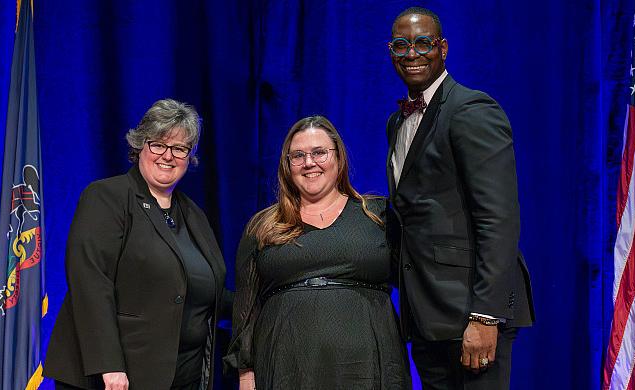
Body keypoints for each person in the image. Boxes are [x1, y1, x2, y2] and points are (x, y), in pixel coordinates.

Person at [384, 7, 535, 390]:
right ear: (391, 51)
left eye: (423, 43)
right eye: (402, 45)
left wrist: (485, 316)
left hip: (471, 311)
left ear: (444, 48)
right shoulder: (397, 122)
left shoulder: (470, 109)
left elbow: (498, 218)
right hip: (426, 316)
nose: (412, 54)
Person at [44, 99, 229, 390]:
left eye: (179, 148)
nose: (168, 156)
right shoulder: (107, 197)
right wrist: (109, 365)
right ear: (140, 145)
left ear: (189, 157)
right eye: (158, 144)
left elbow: (207, 291)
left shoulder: (193, 214)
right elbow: (90, 281)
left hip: (181, 376)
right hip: (114, 378)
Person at [225, 116, 410, 389]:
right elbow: (246, 309)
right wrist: (246, 374)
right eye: (297, 156)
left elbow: (413, 280)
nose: (309, 162)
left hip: (369, 366)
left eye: (319, 153)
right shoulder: (263, 226)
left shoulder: (377, 215)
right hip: (287, 368)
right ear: (287, 166)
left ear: (339, 158)